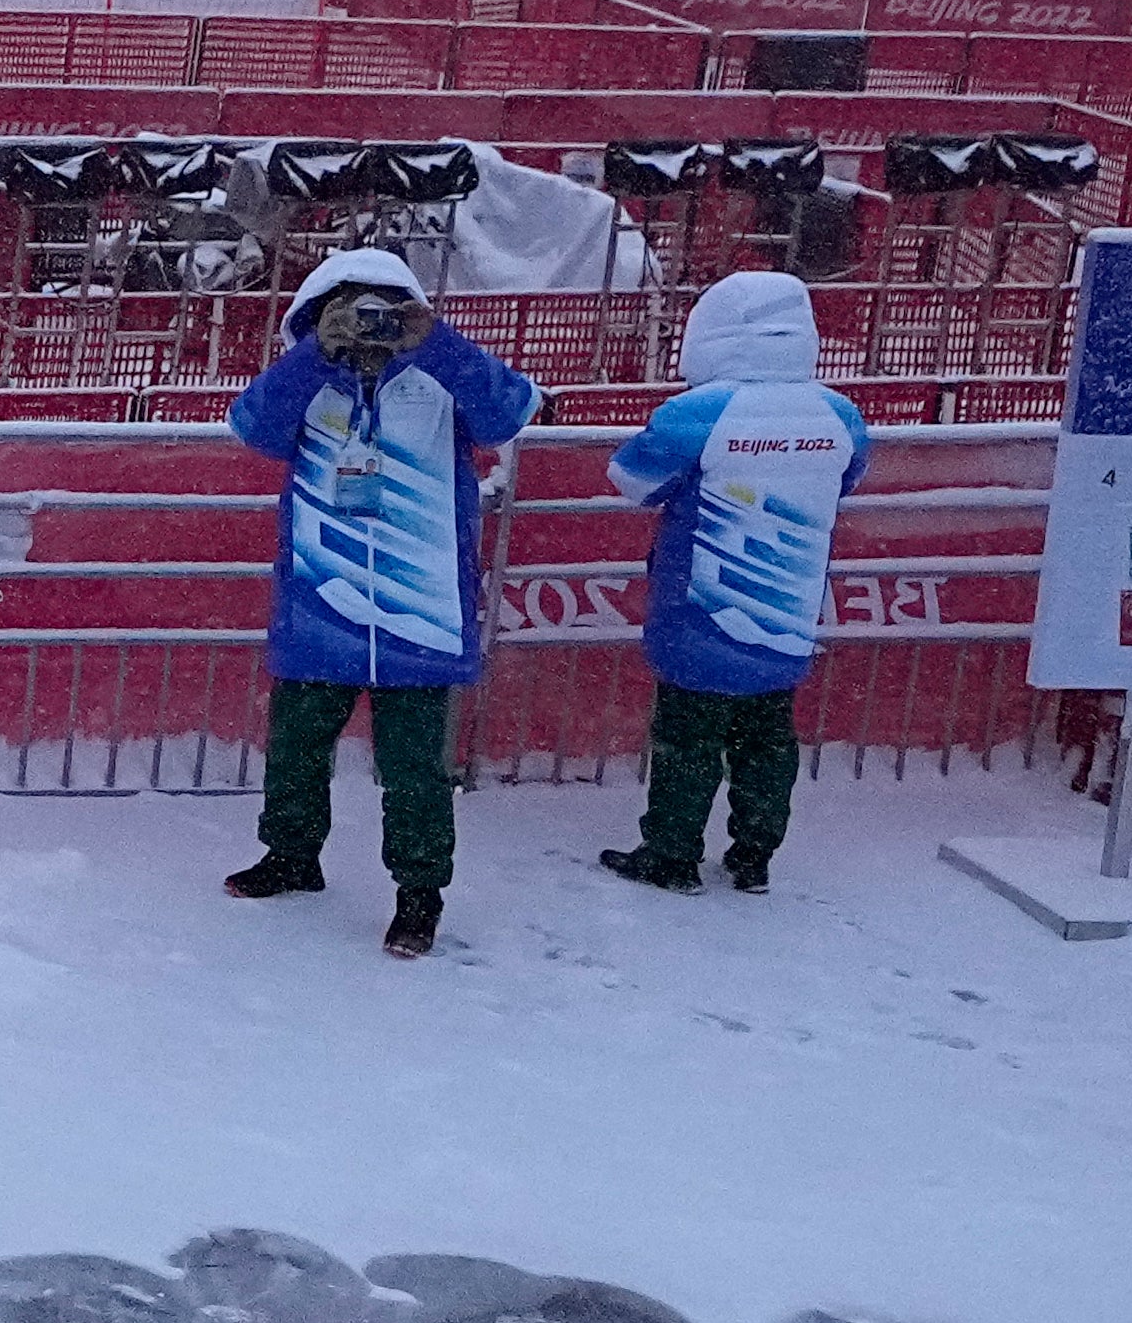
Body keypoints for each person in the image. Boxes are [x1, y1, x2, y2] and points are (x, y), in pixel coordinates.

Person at [223, 248, 541, 956]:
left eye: (381, 309)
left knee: (415, 770)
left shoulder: (440, 374)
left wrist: (436, 341)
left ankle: (419, 893)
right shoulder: (308, 380)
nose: (369, 326)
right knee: (296, 749)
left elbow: (511, 411)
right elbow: (252, 427)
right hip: (321, 606)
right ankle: (292, 857)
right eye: (349, 311)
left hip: (420, 611)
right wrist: (314, 355)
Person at [598, 271, 871, 894]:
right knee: (769, 740)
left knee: (688, 738)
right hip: (789, 606)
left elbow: (632, 479)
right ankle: (753, 856)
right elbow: (849, 476)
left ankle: (671, 854)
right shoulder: (838, 413)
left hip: (702, 605)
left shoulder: (699, 411)